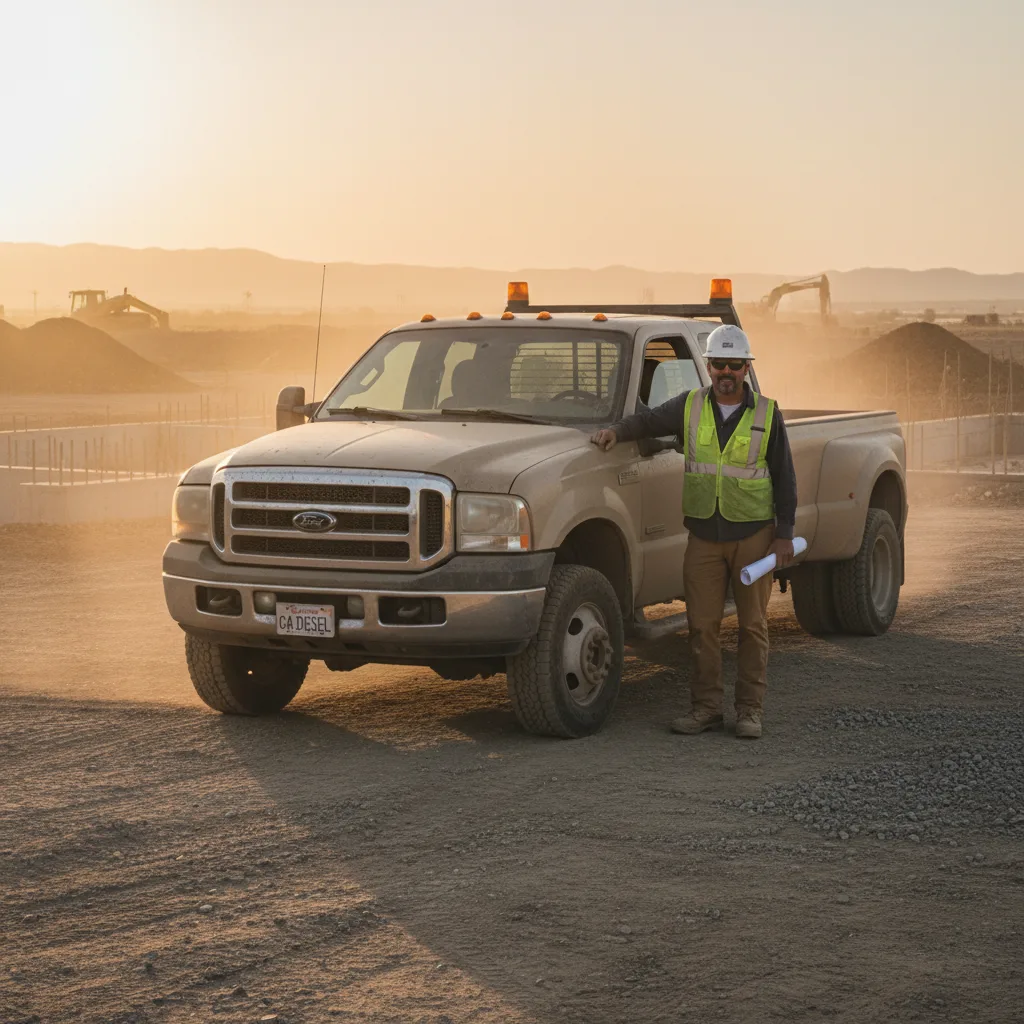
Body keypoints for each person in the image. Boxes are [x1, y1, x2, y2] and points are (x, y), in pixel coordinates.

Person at [590, 325, 797, 739]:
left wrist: (784, 534)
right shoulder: (690, 405)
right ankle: (706, 709)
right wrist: (617, 431)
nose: (726, 372)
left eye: (734, 364)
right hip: (704, 536)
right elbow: (648, 421)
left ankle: (749, 711)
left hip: (753, 536)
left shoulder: (766, 414)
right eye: (719, 363)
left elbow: (785, 476)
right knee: (702, 627)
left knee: (752, 627)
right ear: (708, 366)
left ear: (746, 368)